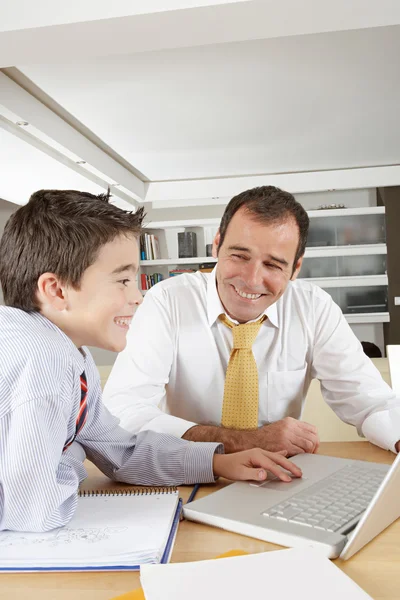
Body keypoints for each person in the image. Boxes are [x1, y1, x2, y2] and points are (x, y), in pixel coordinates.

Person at [0, 189, 302, 533]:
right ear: (56, 290)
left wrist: (218, 462)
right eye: (123, 280)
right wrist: (73, 450)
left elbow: (121, 452)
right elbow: (38, 512)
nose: (138, 296)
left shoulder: (70, 358)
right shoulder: (41, 360)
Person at [103, 186, 400, 455]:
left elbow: (371, 401)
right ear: (217, 245)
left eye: (273, 264)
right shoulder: (167, 301)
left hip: (277, 477)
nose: (252, 280)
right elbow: (122, 410)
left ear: (295, 268)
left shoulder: (314, 308)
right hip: (189, 470)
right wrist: (243, 442)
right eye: (240, 256)